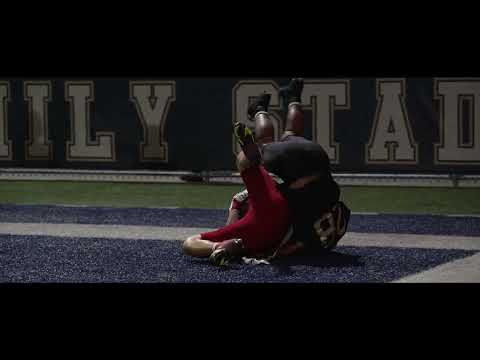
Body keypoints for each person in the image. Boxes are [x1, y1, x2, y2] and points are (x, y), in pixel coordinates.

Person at [183, 78, 350, 266]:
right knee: (265, 146)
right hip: (298, 183)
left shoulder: (287, 212)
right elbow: (237, 204)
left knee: (285, 138)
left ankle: (289, 99)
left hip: (316, 165)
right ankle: (261, 109)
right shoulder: (262, 200)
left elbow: (294, 244)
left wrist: (268, 252)